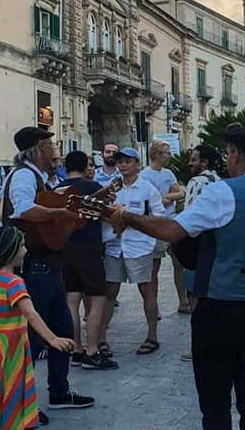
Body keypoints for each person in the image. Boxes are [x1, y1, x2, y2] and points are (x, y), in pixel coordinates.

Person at [108, 127, 245, 430]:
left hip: (219, 306)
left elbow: (172, 231)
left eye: (227, 153)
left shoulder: (223, 192)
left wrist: (126, 217)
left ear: (234, 155)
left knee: (215, 399)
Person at [0, 126, 95, 416]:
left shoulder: (37, 178)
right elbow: (23, 210)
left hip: (47, 262)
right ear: (38, 149)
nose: (55, 151)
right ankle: (21, 404)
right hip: (34, 264)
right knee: (33, 336)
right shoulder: (25, 176)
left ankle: (59, 391)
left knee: (62, 327)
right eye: (50, 146)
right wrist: (57, 215)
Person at [0, 226, 75, 430]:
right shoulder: (14, 282)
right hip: (12, 347)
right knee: (13, 389)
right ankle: (12, 422)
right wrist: (52, 339)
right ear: (11, 251)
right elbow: (30, 312)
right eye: (22, 246)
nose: (26, 250)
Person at [100, 147, 165, 356]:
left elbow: (159, 217)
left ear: (137, 164)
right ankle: (101, 338)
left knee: (147, 290)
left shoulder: (147, 189)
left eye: (128, 161)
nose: (123, 165)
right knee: (109, 293)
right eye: (121, 161)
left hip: (139, 246)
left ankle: (152, 335)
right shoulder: (111, 188)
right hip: (114, 247)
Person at [59, 150, 117, 370]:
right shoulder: (93, 188)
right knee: (97, 299)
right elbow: (108, 214)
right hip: (89, 249)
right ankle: (92, 352)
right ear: (85, 167)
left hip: (65, 248)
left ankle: (76, 349)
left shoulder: (57, 188)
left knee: (71, 300)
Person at [178, 144, 222, 363]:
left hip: (197, 245)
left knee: (195, 295)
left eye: (194, 160)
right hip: (216, 244)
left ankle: (199, 346)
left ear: (204, 162)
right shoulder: (220, 181)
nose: (190, 163)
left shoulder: (197, 182)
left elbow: (191, 217)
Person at [140, 140, 188, 314]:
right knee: (154, 268)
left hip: (172, 221)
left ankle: (183, 301)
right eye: (166, 152)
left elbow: (180, 192)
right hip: (156, 224)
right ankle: (154, 306)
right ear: (156, 154)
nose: (169, 155)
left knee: (179, 264)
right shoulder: (145, 175)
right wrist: (163, 199)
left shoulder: (168, 173)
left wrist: (166, 196)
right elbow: (148, 200)